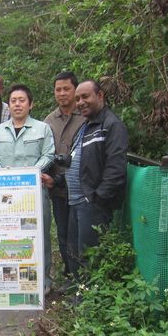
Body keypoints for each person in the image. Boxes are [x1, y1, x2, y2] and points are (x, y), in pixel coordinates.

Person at [0, 84, 55, 293]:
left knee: (39, 234)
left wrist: (31, 172)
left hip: (34, 191)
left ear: (31, 104)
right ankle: (11, 278)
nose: (17, 104)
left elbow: (48, 154)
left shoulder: (42, 129)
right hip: (4, 193)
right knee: (7, 234)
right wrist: (1, 173)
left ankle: (43, 280)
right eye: (13, 101)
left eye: (22, 100)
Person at [66, 79, 128, 280]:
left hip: (91, 202)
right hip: (76, 200)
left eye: (85, 97)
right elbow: (78, 161)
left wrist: (97, 198)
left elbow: (116, 168)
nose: (80, 102)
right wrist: (57, 180)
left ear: (100, 95)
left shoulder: (111, 125)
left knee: (90, 256)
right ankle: (78, 290)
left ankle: (89, 294)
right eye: (77, 99)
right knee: (74, 251)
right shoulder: (86, 126)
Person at [42, 72, 85, 278]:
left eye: (66, 89)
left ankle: (83, 276)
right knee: (63, 232)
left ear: (75, 90)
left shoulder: (85, 116)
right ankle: (69, 273)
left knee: (80, 234)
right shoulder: (49, 120)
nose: (62, 93)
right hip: (57, 187)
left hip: (82, 187)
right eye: (58, 89)